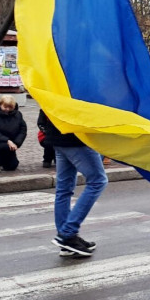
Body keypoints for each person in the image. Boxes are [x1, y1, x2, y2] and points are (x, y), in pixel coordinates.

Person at [37, 109, 108, 257]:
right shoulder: (81, 85)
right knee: (98, 181)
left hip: (58, 135)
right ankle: (67, 234)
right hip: (76, 137)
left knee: (64, 189)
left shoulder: (56, 85)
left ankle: (66, 240)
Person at [0, 95, 27, 172]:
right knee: (3, 146)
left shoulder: (18, 115)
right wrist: (7, 140)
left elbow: (23, 130)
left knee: (12, 166)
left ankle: (4, 161)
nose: (8, 109)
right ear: (0, 105)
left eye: (10, 107)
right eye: (5, 107)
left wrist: (16, 142)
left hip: (11, 142)